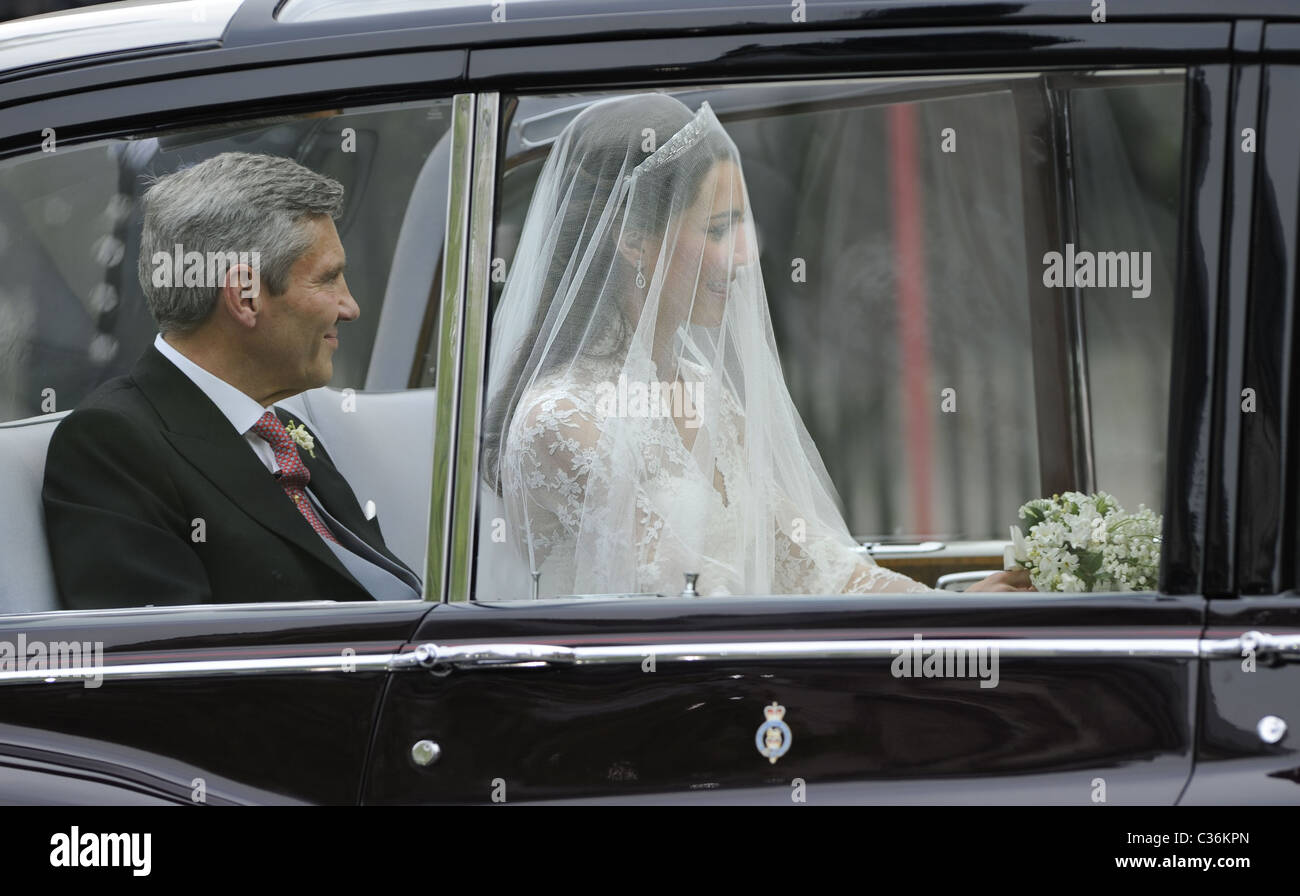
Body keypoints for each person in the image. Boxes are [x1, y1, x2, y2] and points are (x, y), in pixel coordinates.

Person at [481, 93, 1031, 598]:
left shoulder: (706, 392)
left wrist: (949, 604)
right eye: (719, 229)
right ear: (635, 245)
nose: (745, 256)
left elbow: (812, 562)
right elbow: (685, 595)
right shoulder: (560, 421)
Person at [42, 152, 422, 609]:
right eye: (329, 279)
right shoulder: (112, 445)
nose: (349, 307)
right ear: (245, 297)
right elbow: (164, 663)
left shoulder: (277, 427)